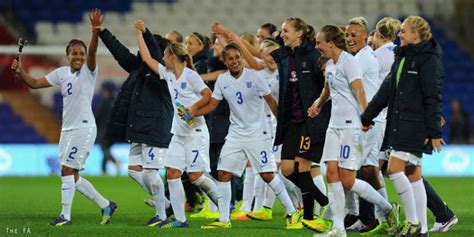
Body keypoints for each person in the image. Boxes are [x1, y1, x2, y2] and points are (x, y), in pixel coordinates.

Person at [11, 9, 117, 226]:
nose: (78, 56)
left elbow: (94, 51)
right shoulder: (61, 73)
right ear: (67, 56)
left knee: (67, 170)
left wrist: (95, 31)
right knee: (71, 175)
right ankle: (106, 205)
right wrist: (21, 72)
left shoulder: (89, 70)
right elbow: (35, 84)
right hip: (67, 130)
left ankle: (65, 216)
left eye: (81, 53)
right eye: (74, 53)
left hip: (83, 128)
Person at [193, 43, 300, 229]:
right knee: (224, 173)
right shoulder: (222, 81)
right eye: (230, 59)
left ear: (241, 58)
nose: (234, 61)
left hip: (257, 135)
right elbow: (212, 105)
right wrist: (191, 114)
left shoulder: (255, 77)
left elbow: (271, 102)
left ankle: (293, 213)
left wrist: (284, 127)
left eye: (237, 57)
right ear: (225, 61)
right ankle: (224, 220)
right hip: (235, 135)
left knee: (267, 175)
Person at [309, 24, 399, 237]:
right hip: (334, 125)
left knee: (347, 180)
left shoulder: (349, 62)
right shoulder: (330, 64)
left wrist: (366, 117)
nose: (317, 45)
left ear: (330, 43)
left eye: (319, 41)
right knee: (331, 173)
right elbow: (328, 89)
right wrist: (318, 105)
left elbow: (359, 90)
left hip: (351, 126)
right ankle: (338, 228)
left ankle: (386, 208)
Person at [361, 16, 445, 237]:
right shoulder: (403, 56)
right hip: (401, 123)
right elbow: (386, 90)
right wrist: (367, 117)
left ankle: (412, 222)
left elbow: (432, 96)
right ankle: (422, 229)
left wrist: (434, 130)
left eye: (404, 31)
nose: (399, 35)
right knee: (413, 173)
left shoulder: (428, 60)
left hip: (415, 125)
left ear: (415, 35)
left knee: (394, 169)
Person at [136, 19, 221, 228]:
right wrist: (140, 33)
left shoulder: (190, 75)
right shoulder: (168, 74)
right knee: (172, 173)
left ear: (171, 56)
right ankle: (181, 220)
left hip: (196, 132)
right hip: (179, 133)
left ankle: (224, 206)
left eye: (165, 55)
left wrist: (192, 109)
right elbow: (147, 58)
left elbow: (207, 94)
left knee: (196, 176)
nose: (162, 58)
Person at [94, 12, 173, 226]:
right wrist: (102, 32)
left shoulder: (161, 70)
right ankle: (165, 204)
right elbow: (120, 53)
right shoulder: (139, 69)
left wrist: (144, 33)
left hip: (155, 126)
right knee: (133, 171)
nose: (140, 52)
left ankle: (162, 215)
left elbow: (154, 54)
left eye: (144, 48)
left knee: (150, 171)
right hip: (139, 126)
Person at [270, 17, 330, 231]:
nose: (282, 33)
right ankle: (323, 200)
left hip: (309, 122)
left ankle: (309, 216)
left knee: (303, 168)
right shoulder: (287, 56)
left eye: (286, 30)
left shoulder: (314, 56)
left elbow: (327, 87)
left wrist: (319, 111)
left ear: (299, 33)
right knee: (286, 170)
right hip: (291, 123)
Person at [344, 16, 394, 234]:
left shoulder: (363, 59)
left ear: (367, 36)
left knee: (354, 171)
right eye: (346, 35)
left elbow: (357, 90)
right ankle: (381, 216)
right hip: (372, 120)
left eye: (353, 35)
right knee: (369, 170)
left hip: (370, 122)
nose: (349, 39)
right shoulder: (363, 56)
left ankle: (374, 214)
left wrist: (365, 117)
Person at [95, 83, 121, 176]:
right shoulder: (116, 102)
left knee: (104, 149)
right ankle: (104, 171)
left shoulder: (103, 103)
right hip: (114, 131)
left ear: (106, 92)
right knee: (106, 149)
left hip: (103, 130)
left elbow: (97, 116)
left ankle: (115, 161)